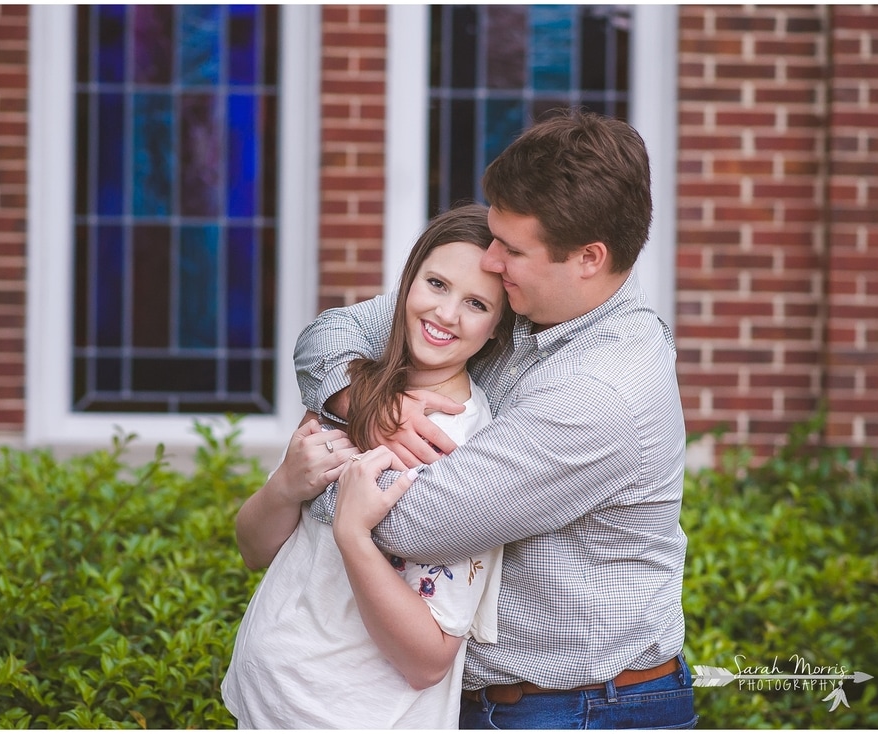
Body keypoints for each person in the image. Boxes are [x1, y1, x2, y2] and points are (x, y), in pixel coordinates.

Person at [294, 110, 697, 729]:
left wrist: (313, 472)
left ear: (588, 257)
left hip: (580, 709)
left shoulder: (605, 388)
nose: (489, 258)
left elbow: (416, 524)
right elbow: (329, 334)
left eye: (510, 247)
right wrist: (363, 401)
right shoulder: (512, 300)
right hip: (477, 701)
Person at [221, 204, 515, 728]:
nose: (446, 313)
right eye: (436, 283)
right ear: (406, 283)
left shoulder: (469, 447)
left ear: (497, 327)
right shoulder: (355, 392)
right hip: (263, 703)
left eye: (475, 302)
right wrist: (287, 486)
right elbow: (252, 547)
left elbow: (428, 660)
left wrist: (352, 531)